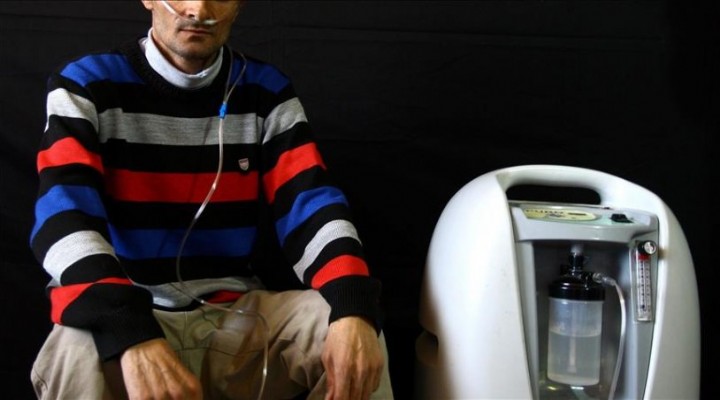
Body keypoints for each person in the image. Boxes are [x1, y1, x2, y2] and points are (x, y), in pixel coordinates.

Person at [29, 1, 393, 399]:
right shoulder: (84, 84)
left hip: (235, 322)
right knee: (78, 344)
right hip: (132, 311)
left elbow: (311, 205)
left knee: (351, 326)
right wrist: (130, 330)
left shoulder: (264, 90)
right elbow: (62, 220)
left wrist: (351, 302)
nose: (198, 9)